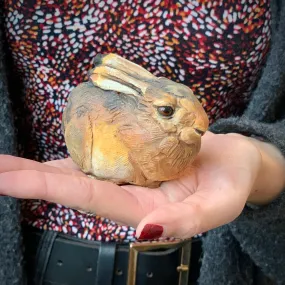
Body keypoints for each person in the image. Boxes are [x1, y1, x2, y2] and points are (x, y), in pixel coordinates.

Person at [1, 0, 285, 284]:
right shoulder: (120, 121)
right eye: (167, 112)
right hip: (39, 254)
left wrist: (263, 161)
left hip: (215, 261)